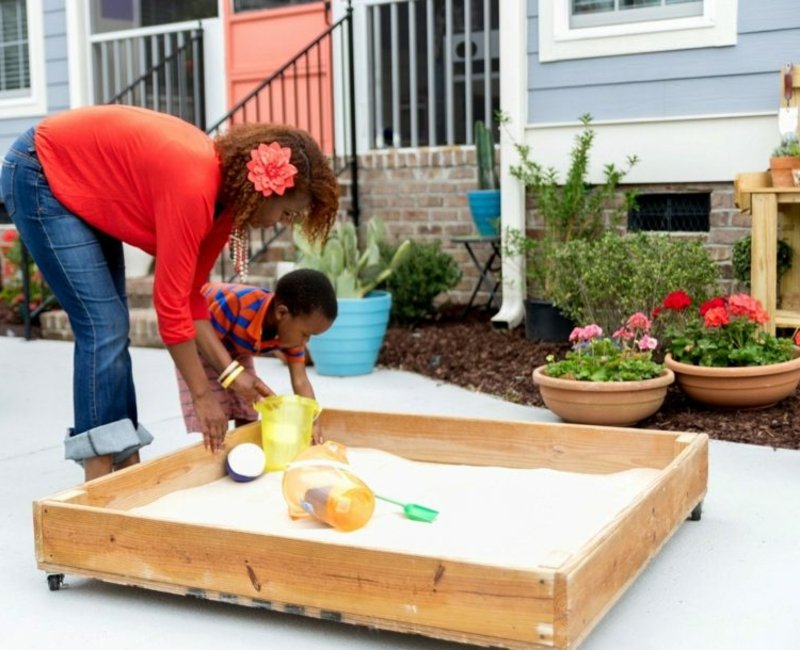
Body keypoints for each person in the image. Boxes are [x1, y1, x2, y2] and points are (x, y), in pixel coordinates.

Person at [0, 105, 338, 481]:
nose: (282, 223)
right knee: (103, 326)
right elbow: (170, 307)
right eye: (287, 213)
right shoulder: (195, 188)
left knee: (112, 325)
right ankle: (97, 481)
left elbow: (193, 295)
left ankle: (125, 465)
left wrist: (231, 376)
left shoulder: (224, 210)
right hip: (41, 171)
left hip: (79, 177)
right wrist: (203, 395)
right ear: (264, 189)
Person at [177, 269, 337, 442]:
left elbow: (300, 380)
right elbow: (200, 335)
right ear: (282, 313)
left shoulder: (292, 333)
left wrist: (312, 419)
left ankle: (243, 452)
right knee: (215, 411)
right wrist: (230, 375)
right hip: (199, 340)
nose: (306, 341)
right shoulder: (236, 304)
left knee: (248, 405)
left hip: (236, 346)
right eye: (306, 334)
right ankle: (212, 453)